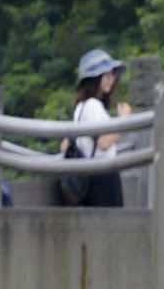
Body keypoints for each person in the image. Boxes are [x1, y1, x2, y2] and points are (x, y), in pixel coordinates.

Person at [55, 45, 134, 207]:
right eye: (107, 75)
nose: (111, 80)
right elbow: (104, 142)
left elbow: (65, 145)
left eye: (112, 75)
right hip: (102, 177)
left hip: (91, 177)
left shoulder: (81, 107)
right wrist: (124, 120)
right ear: (95, 78)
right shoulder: (93, 105)